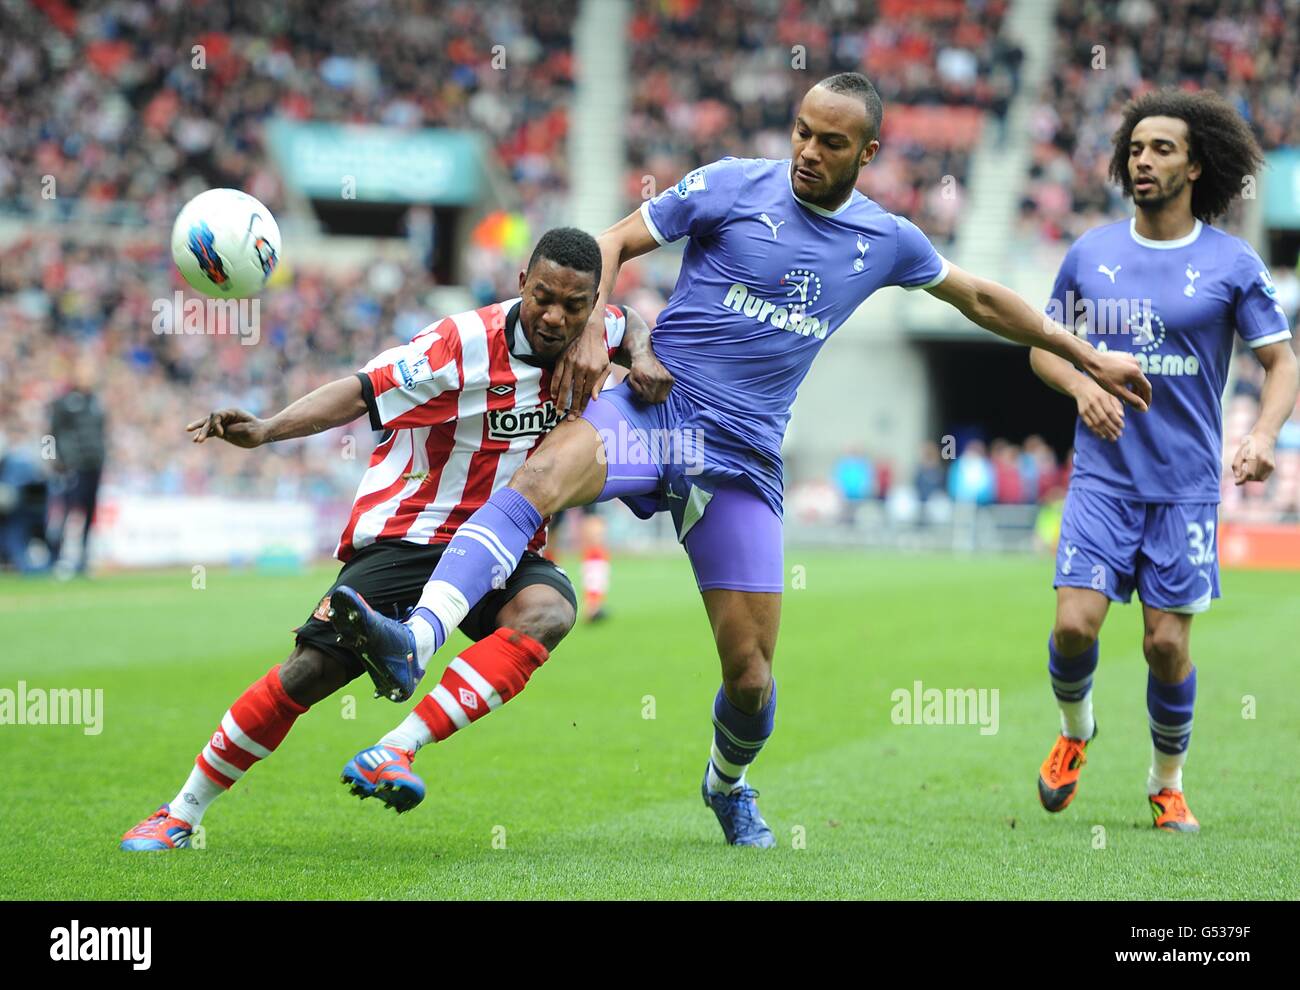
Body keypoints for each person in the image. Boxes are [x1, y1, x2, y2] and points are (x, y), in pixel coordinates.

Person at [334, 72, 1151, 848]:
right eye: (801, 131)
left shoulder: (885, 240)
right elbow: (614, 240)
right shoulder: (729, 184)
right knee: (538, 482)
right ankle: (417, 645)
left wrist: (1087, 357)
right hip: (660, 411)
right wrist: (595, 327)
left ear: (866, 155)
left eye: (831, 142)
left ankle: (727, 783)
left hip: (744, 460)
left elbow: (979, 297)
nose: (807, 151)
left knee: (753, 680)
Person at [119, 228, 671, 849]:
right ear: (522, 281)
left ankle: (395, 749)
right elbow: (360, 392)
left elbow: (635, 326)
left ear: (593, 301)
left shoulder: (602, 332)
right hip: (411, 533)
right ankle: (181, 813)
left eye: (575, 306)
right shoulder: (457, 343)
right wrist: (267, 429)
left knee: (548, 611)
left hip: (503, 544)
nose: (555, 316)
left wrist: (644, 353)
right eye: (544, 297)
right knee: (308, 674)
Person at [1028, 90, 1299, 832]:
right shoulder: (1090, 254)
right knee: (1075, 626)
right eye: (1136, 148)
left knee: (1165, 642)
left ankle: (1166, 781)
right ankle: (1076, 731)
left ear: (1197, 165)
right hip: (1102, 479)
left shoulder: (1231, 263)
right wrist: (1082, 383)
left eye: (1162, 149)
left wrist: (1265, 435)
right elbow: (1041, 349)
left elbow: (1282, 363)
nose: (1143, 160)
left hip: (1183, 490)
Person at [48, 359, 107, 576]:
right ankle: (60, 558)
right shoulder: (63, 402)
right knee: (69, 512)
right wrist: (57, 462)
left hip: (94, 464)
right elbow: (51, 433)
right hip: (73, 466)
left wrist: (102, 456)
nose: (88, 376)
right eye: (85, 372)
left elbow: (100, 433)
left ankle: (83, 559)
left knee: (89, 512)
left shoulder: (96, 402)